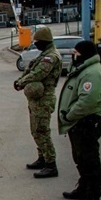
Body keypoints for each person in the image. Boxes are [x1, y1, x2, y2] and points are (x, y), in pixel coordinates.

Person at [58, 40, 101, 200]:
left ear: (84, 54)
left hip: (88, 122)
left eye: (76, 53)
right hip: (80, 123)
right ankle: (83, 189)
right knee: (81, 158)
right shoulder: (84, 69)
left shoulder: (92, 73)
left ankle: (93, 199)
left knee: (90, 161)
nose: (74, 56)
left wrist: (68, 116)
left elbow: (87, 102)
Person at [14, 26, 62, 178]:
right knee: (36, 130)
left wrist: (21, 82)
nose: (36, 44)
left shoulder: (51, 57)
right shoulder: (44, 54)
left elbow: (39, 73)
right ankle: (42, 158)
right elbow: (31, 69)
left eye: (38, 41)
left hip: (44, 99)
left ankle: (50, 164)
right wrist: (21, 80)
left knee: (42, 131)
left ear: (45, 41)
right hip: (38, 99)